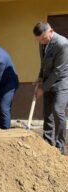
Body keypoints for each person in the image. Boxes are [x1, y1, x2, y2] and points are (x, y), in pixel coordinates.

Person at [33, 22, 68, 154]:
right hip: (48, 80)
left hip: (62, 81)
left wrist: (43, 88)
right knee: (47, 112)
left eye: (43, 39)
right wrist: (40, 77)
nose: (42, 42)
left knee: (57, 110)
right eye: (39, 40)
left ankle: (60, 146)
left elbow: (58, 71)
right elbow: (43, 63)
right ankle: (47, 142)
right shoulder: (42, 42)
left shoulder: (62, 44)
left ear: (51, 31)